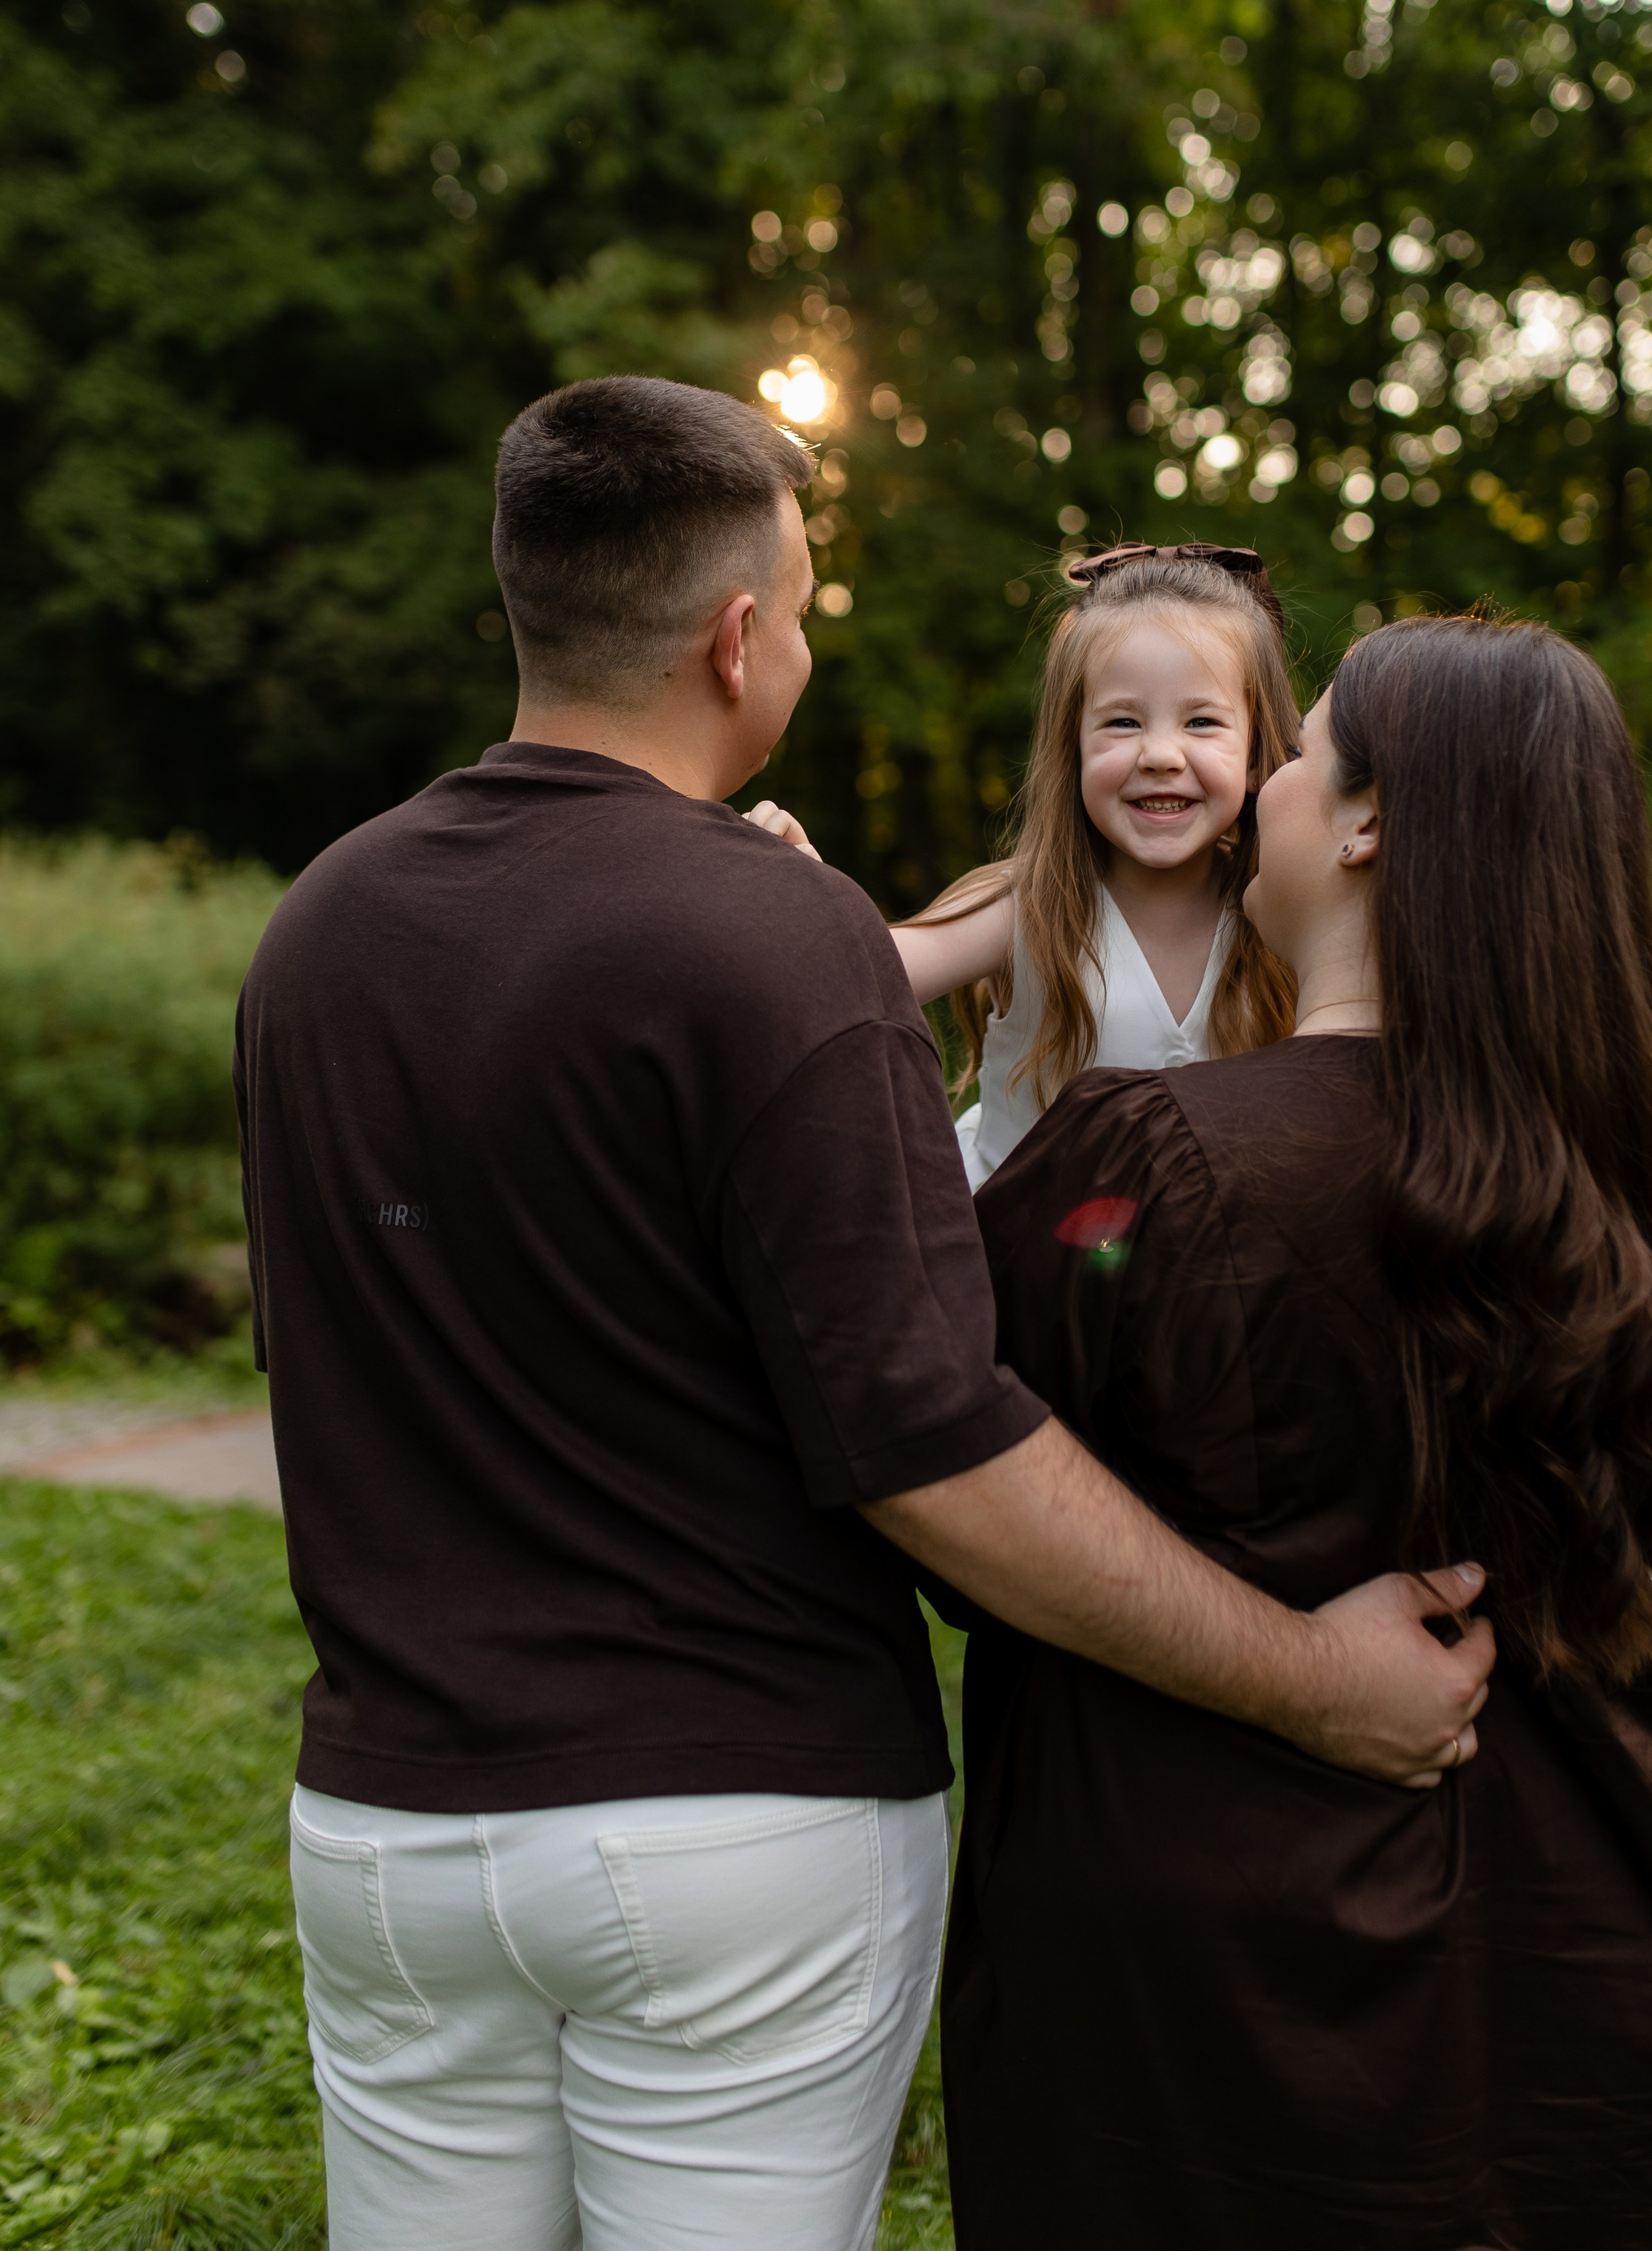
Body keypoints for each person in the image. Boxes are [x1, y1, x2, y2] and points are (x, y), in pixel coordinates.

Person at [234, 376, 1494, 2251]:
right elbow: (926, 1433)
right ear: (738, 635)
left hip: (387, 1831)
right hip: (732, 1824)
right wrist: (1316, 1680)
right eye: (809, 603)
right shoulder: (773, 932)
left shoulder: (315, 928)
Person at [941, 612, 1652, 2251]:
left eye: (1301, 747)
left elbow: (945, 1458)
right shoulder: (1604, 1180)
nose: (1268, 787)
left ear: (1373, 820)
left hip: (1212, 1956)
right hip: (1569, 1925)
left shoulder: (1146, 1170)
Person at [754, 542, 1300, 1185]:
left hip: (1200, 1278)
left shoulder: (1285, 921)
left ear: (1260, 752)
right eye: (1122, 721)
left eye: (1202, 722)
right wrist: (798, 881)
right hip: (1013, 1269)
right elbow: (852, 970)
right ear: (1069, 750)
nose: (1159, 754)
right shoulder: (1027, 909)